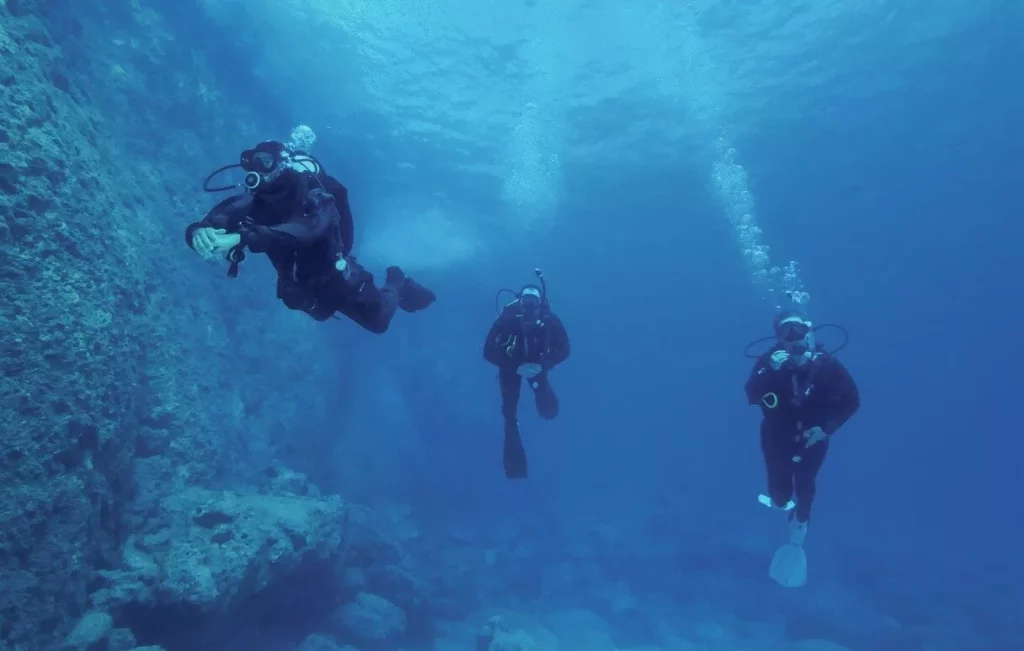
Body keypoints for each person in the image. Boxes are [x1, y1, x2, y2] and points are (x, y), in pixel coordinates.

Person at [185, 139, 435, 333]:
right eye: (251, 163)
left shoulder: (315, 195)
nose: (255, 169)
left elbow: (308, 229)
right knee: (312, 307)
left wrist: (243, 238)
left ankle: (397, 279)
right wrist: (199, 231)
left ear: (282, 164)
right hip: (300, 283)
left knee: (378, 323)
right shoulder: (254, 203)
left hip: (336, 274)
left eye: (264, 161)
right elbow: (222, 215)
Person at [744, 307, 860, 587]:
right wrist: (769, 373)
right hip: (776, 436)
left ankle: (798, 533)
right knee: (780, 492)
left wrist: (827, 429)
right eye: (787, 333)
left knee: (806, 482)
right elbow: (750, 395)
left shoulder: (827, 365)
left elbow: (853, 400)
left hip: (813, 436)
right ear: (779, 338)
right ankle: (782, 503)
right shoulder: (769, 361)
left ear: (809, 333)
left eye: (800, 331)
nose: (795, 338)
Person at [483, 273, 570, 480]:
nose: (529, 309)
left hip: (536, 366)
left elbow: (565, 349)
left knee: (543, 397)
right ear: (519, 303)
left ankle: (543, 397)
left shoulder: (549, 321)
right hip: (511, 368)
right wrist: (515, 367)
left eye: (534, 305)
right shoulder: (507, 319)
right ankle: (514, 463)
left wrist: (546, 364)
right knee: (510, 413)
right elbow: (487, 351)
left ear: (541, 305)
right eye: (525, 304)